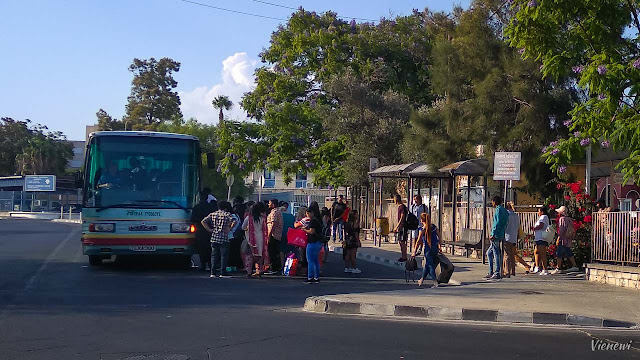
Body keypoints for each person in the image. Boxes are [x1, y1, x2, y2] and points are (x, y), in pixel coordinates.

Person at [201, 201, 237, 278]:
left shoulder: (213, 214)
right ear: (226, 208)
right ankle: (222, 272)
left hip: (214, 236)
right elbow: (234, 221)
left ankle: (213, 272)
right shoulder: (227, 214)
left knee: (214, 255)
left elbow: (203, 221)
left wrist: (209, 229)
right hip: (224, 237)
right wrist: (229, 228)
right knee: (223, 255)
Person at [412, 213, 441, 287]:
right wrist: (440, 245)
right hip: (435, 248)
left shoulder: (422, 229)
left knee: (430, 265)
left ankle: (435, 281)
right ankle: (421, 279)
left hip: (428, 249)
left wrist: (414, 251)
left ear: (422, 220)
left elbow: (418, 241)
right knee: (427, 265)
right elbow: (439, 236)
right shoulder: (434, 227)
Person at [242, 202, 269, 277]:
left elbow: (243, 227)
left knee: (249, 255)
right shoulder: (262, 218)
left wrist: (248, 229)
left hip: (250, 238)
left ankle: (249, 271)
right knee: (259, 255)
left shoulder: (249, 218)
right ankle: (259, 270)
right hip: (260, 238)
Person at [191, 188, 215, 271]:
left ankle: (203, 264)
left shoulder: (196, 208)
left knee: (201, 248)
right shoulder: (211, 207)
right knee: (209, 248)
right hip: (209, 230)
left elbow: (193, 219)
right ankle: (210, 264)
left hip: (199, 230)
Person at [551, 206, 580, 274]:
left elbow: (561, 230)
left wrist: (558, 238)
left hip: (563, 239)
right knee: (568, 252)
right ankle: (574, 265)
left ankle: (558, 267)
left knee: (559, 253)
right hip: (568, 239)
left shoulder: (562, 219)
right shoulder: (569, 219)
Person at [484, 195, 508, 281]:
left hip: (496, 234)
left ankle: (496, 272)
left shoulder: (498, 210)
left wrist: (493, 233)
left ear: (495, 202)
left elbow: (497, 223)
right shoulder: (505, 210)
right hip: (501, 233)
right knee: (489, 253)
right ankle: (491, 271)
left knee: (496, 252)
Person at [301, 207, 323, 284]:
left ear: (312, 213)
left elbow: (312, 231)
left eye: (308, 213)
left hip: (312, 242)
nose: (307, 215)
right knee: (316, 260)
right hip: (319, 242)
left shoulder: (313, 221)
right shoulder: (318, 220)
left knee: (310, 260)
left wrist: (304, 230)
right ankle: (316, 277)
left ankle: (310, 277)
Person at [531, 205, 551, 275]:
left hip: (541, 237)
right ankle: (537, 266)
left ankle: (545, 269)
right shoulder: (542, 217)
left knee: (542, 253)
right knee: (536, 252)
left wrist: (534, 228)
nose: (538, 212)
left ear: (542, 212)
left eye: (539, 211)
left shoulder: (543, 217)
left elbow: (541, 225)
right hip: (538, 237)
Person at [266, 198, 284, 274]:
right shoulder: (278, 212)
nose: (268, 204)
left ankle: (274, 268)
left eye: (269, 203)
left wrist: (269, 235)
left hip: (273, 235)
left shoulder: (274, 212)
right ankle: (275, 267)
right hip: (277, 234)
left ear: (273, 204)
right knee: (274, 251)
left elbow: (273, 224)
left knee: (272, 252)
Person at [503, 202, 519, 278]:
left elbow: (505, 225)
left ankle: (507, 271)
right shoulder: (516, 216)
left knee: (507, 255)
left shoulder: (507, 215)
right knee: (512, 254)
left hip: (507, 236)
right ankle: (513, 271)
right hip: (514, 236)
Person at [280, 201, 297, 272]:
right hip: (290, 234)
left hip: (282, 234)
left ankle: (282, 265)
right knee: (289, 250)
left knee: (281, 250)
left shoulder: (280, 216)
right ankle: (288, 265)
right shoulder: (291, 216)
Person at [392, 194, 409, 262]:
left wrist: (397, 226)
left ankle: (404, 257)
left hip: (403, 226)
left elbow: (402, 217)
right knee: (401, 241)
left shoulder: (402, 207)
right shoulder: (400, 207)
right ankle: (403, 256)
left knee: (402, 242)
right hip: (401, 226)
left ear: (396, 199)